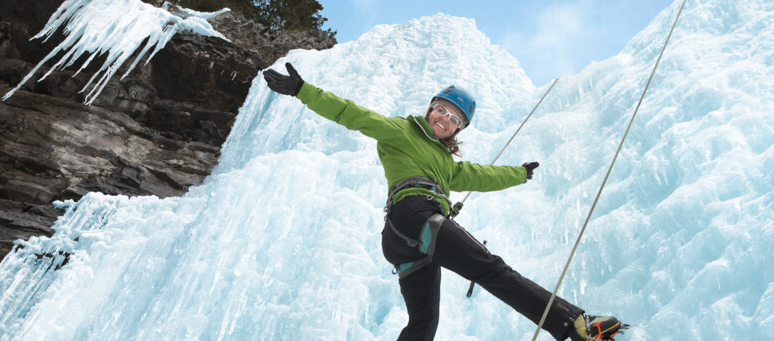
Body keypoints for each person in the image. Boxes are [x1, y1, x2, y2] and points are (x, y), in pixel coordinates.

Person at [263, 63, 625, 341]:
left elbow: (482, 176)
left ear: (457, 130)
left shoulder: (448, 166)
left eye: (454, 119)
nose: (445, 119)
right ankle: (574, 325)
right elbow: (353, 114)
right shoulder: (400, 130)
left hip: (405, 240)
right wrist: (302, 90)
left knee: (424, 321)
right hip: (412, 214)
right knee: (490, 268)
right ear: (430, 108)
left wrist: (519, 173)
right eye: (441, 109)